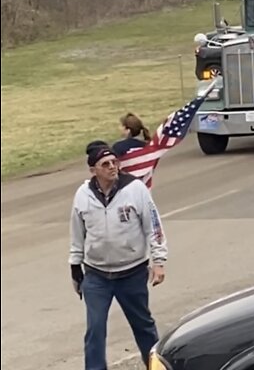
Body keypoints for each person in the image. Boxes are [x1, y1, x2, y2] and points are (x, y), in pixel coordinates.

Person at [70, 142, 167, 370]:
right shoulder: (83, 195)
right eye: (106, 164)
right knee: (95, 329)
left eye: (115, 162)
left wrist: (159, 261)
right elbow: (77, 234)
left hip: (132, 273)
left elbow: (153, 225)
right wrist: (75, 267)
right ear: (93, 170)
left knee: (143, 326)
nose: (113, 167)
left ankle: (155, 366)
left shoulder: (135, 189)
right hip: (96, 276)